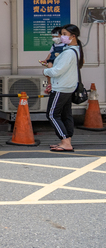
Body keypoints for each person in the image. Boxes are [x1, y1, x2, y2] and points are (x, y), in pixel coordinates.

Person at [42, 24, 82, 152]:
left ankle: (65, 140)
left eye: (64, 34)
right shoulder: (75, 49)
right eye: (61, 34)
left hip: (61, 88)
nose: (61, 37)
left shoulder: (68, 53)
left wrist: (46, 71)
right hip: (68, 86)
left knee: (52, 114)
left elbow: (57, 71)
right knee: (66, 115)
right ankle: (66, 140)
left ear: (73, 36)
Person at [41, 27, 65, 93]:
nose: (54, 38)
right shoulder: (54, 45)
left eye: (56, 36)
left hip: (61, 61)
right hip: (53, 59)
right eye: (53, 37)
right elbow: (50, 54)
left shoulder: (66, 45)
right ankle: (49, 84)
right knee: (49, 67)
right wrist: (46, 60)